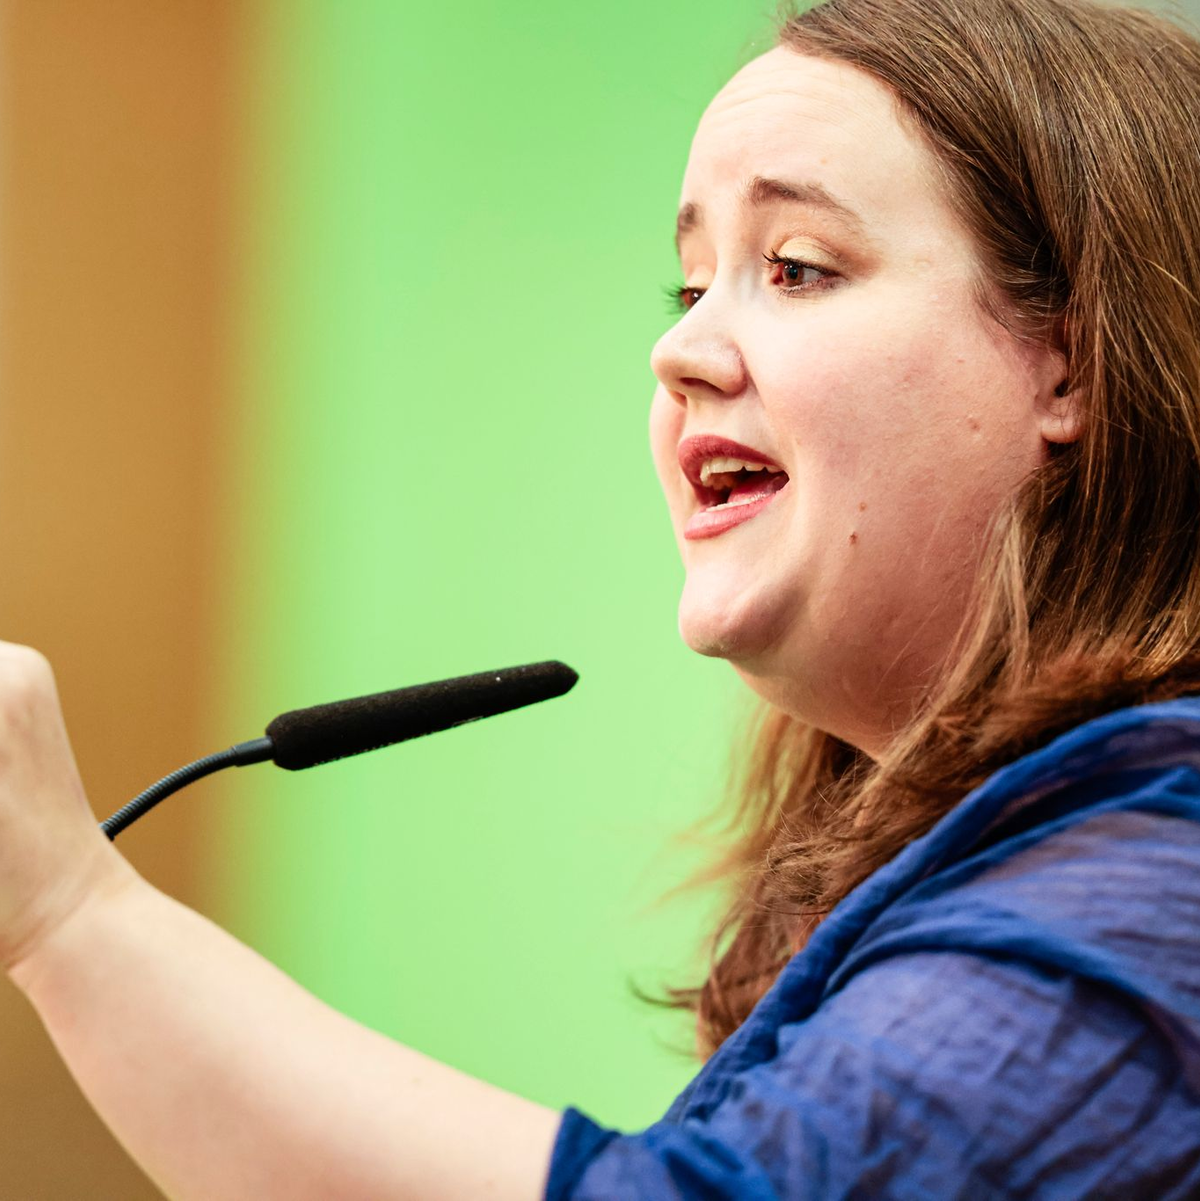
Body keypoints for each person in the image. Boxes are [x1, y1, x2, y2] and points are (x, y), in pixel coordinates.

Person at [3, 0, 1200, 1194]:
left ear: (1076, 360)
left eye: (795, 267)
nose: (678, 354)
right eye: (689, 291)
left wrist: (68, 912)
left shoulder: (1163, 867)